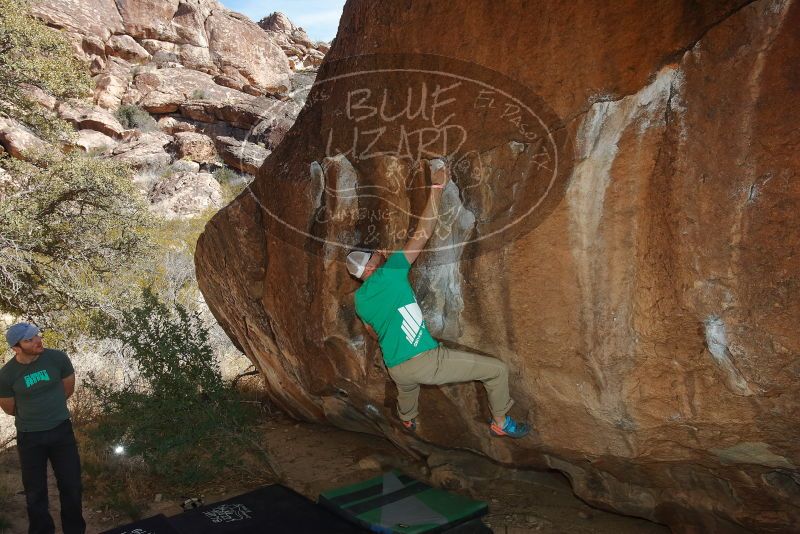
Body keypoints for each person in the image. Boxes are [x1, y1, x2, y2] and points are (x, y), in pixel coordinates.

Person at [347, 159, 530, 438]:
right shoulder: (392, 272)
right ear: (370, 268)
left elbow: (372, 332)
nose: (378, 251)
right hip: (426, 362)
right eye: (372, 254)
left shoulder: (360, 299)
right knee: (496, 371)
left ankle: (407, 419)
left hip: (396, 367)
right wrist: (436, 187)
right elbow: (423, 232)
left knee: (407, 389)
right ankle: (501, 423)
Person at [0, 322, 86, 534]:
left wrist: (51, 410)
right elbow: (10, 408)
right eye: (29, 340)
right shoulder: (7, 375)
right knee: (35, 493)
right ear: (16, 348)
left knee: (72, 486)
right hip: (30, 437)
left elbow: (68, 388)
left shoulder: (57, 358)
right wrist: (35, 416)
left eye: (36, 335)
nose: (38, 341)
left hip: (61, 430)